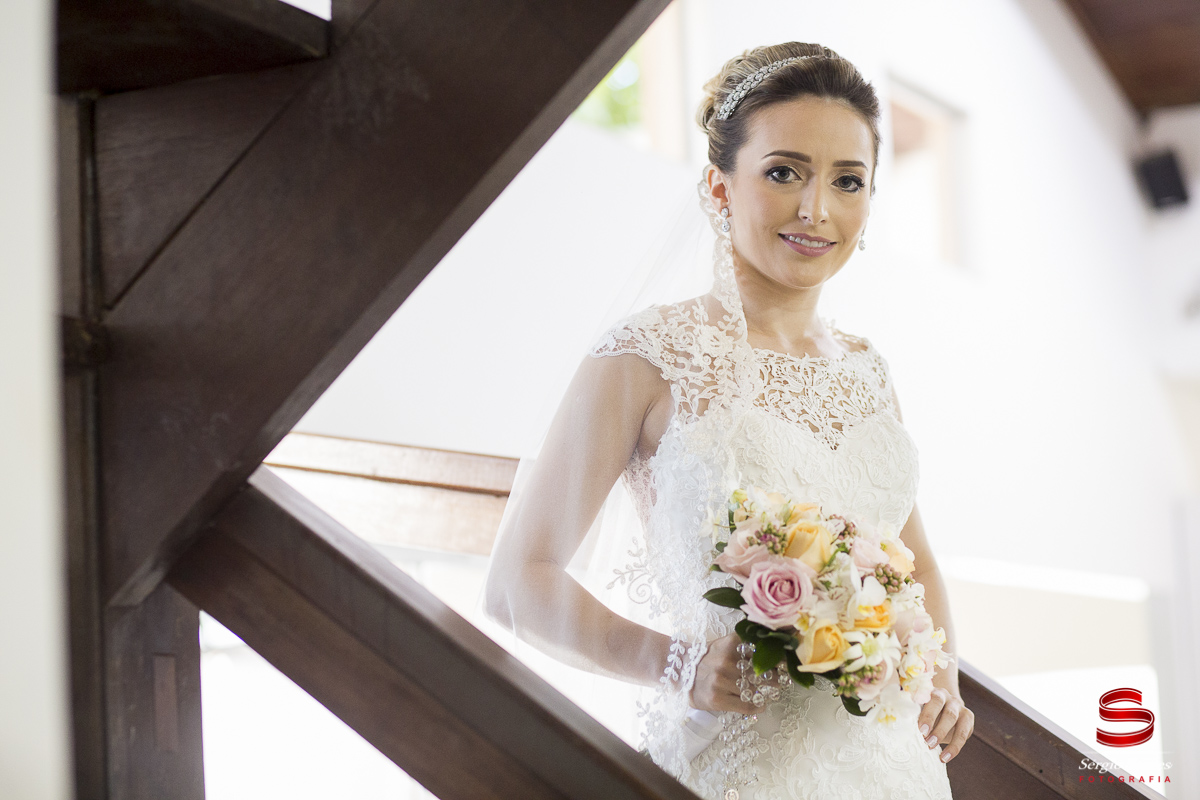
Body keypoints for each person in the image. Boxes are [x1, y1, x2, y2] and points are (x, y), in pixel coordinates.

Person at [483, 41, 973, 799]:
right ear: (719, 187)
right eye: (784, 172)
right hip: (737, 772)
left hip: (895, 773)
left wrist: (940, 676)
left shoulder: (868, 371)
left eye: (848, 181)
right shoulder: (645, 357)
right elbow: (518, 583)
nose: (816, 210)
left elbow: (919, 565)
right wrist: (675, 664)